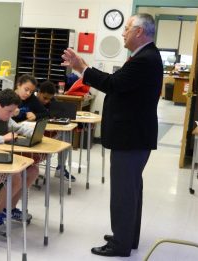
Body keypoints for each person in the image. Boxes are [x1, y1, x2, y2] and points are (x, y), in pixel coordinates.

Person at [61, 13, 162, 257]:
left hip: (131, 138)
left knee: (124, 192)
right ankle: (128, 236)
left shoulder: (144, 60)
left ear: (139, 32)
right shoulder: (144, 57)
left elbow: (113, 84)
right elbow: (118, 84)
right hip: (134, 136)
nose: (123, 33)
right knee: (132, 189)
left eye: (126, 28)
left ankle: (121, 244)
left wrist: (82, 68)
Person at [0, 89, 43, 233]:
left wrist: (36, 134)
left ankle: (9, 209)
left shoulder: (4, 114)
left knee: (32, 170)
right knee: (16, 177)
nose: (11, 115)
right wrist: (3, 138)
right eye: (9, 111)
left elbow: (16, 127)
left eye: (13, 111)